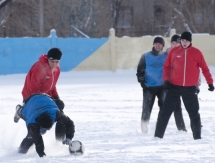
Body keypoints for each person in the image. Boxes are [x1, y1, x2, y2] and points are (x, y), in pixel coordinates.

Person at [154, 31, 214, 140]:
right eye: (182, 40)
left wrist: (210, 82)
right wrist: (166, 80)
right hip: (174, 87)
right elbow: (166, 66)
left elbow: (205, 68)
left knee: (194, 113)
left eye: (186, 40)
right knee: (165, 112)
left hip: (190, 88)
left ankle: (197, 137)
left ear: (190, 41)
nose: (184, 42)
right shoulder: (174, 52)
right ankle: (157, 137)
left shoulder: (197, 53)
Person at [136, 36, 186, 133]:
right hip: (149, 87)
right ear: (153, 44)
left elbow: (172, 69)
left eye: (160, 44)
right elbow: (140, 72)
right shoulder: (145, 56)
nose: (157, 45)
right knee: (146, 109)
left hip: (163, 87)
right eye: (156, 43)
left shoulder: (166, 56)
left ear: (163, 46)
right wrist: (142, 81)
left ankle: (159, 127)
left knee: (164, 109)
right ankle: (144, 128)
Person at [15, 48, 65, 140]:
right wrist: (49, 101)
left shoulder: (57, 69)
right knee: (37, 128)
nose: (54, 64)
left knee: (60, 114)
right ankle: (21, 152)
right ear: (48, 59)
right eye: (52, 61)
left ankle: (60, 142)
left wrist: (56, 98)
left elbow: (52, 87)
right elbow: (34, 90)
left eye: (57, 62)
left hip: (45, 98)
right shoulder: (39, 67)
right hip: (31, 97)